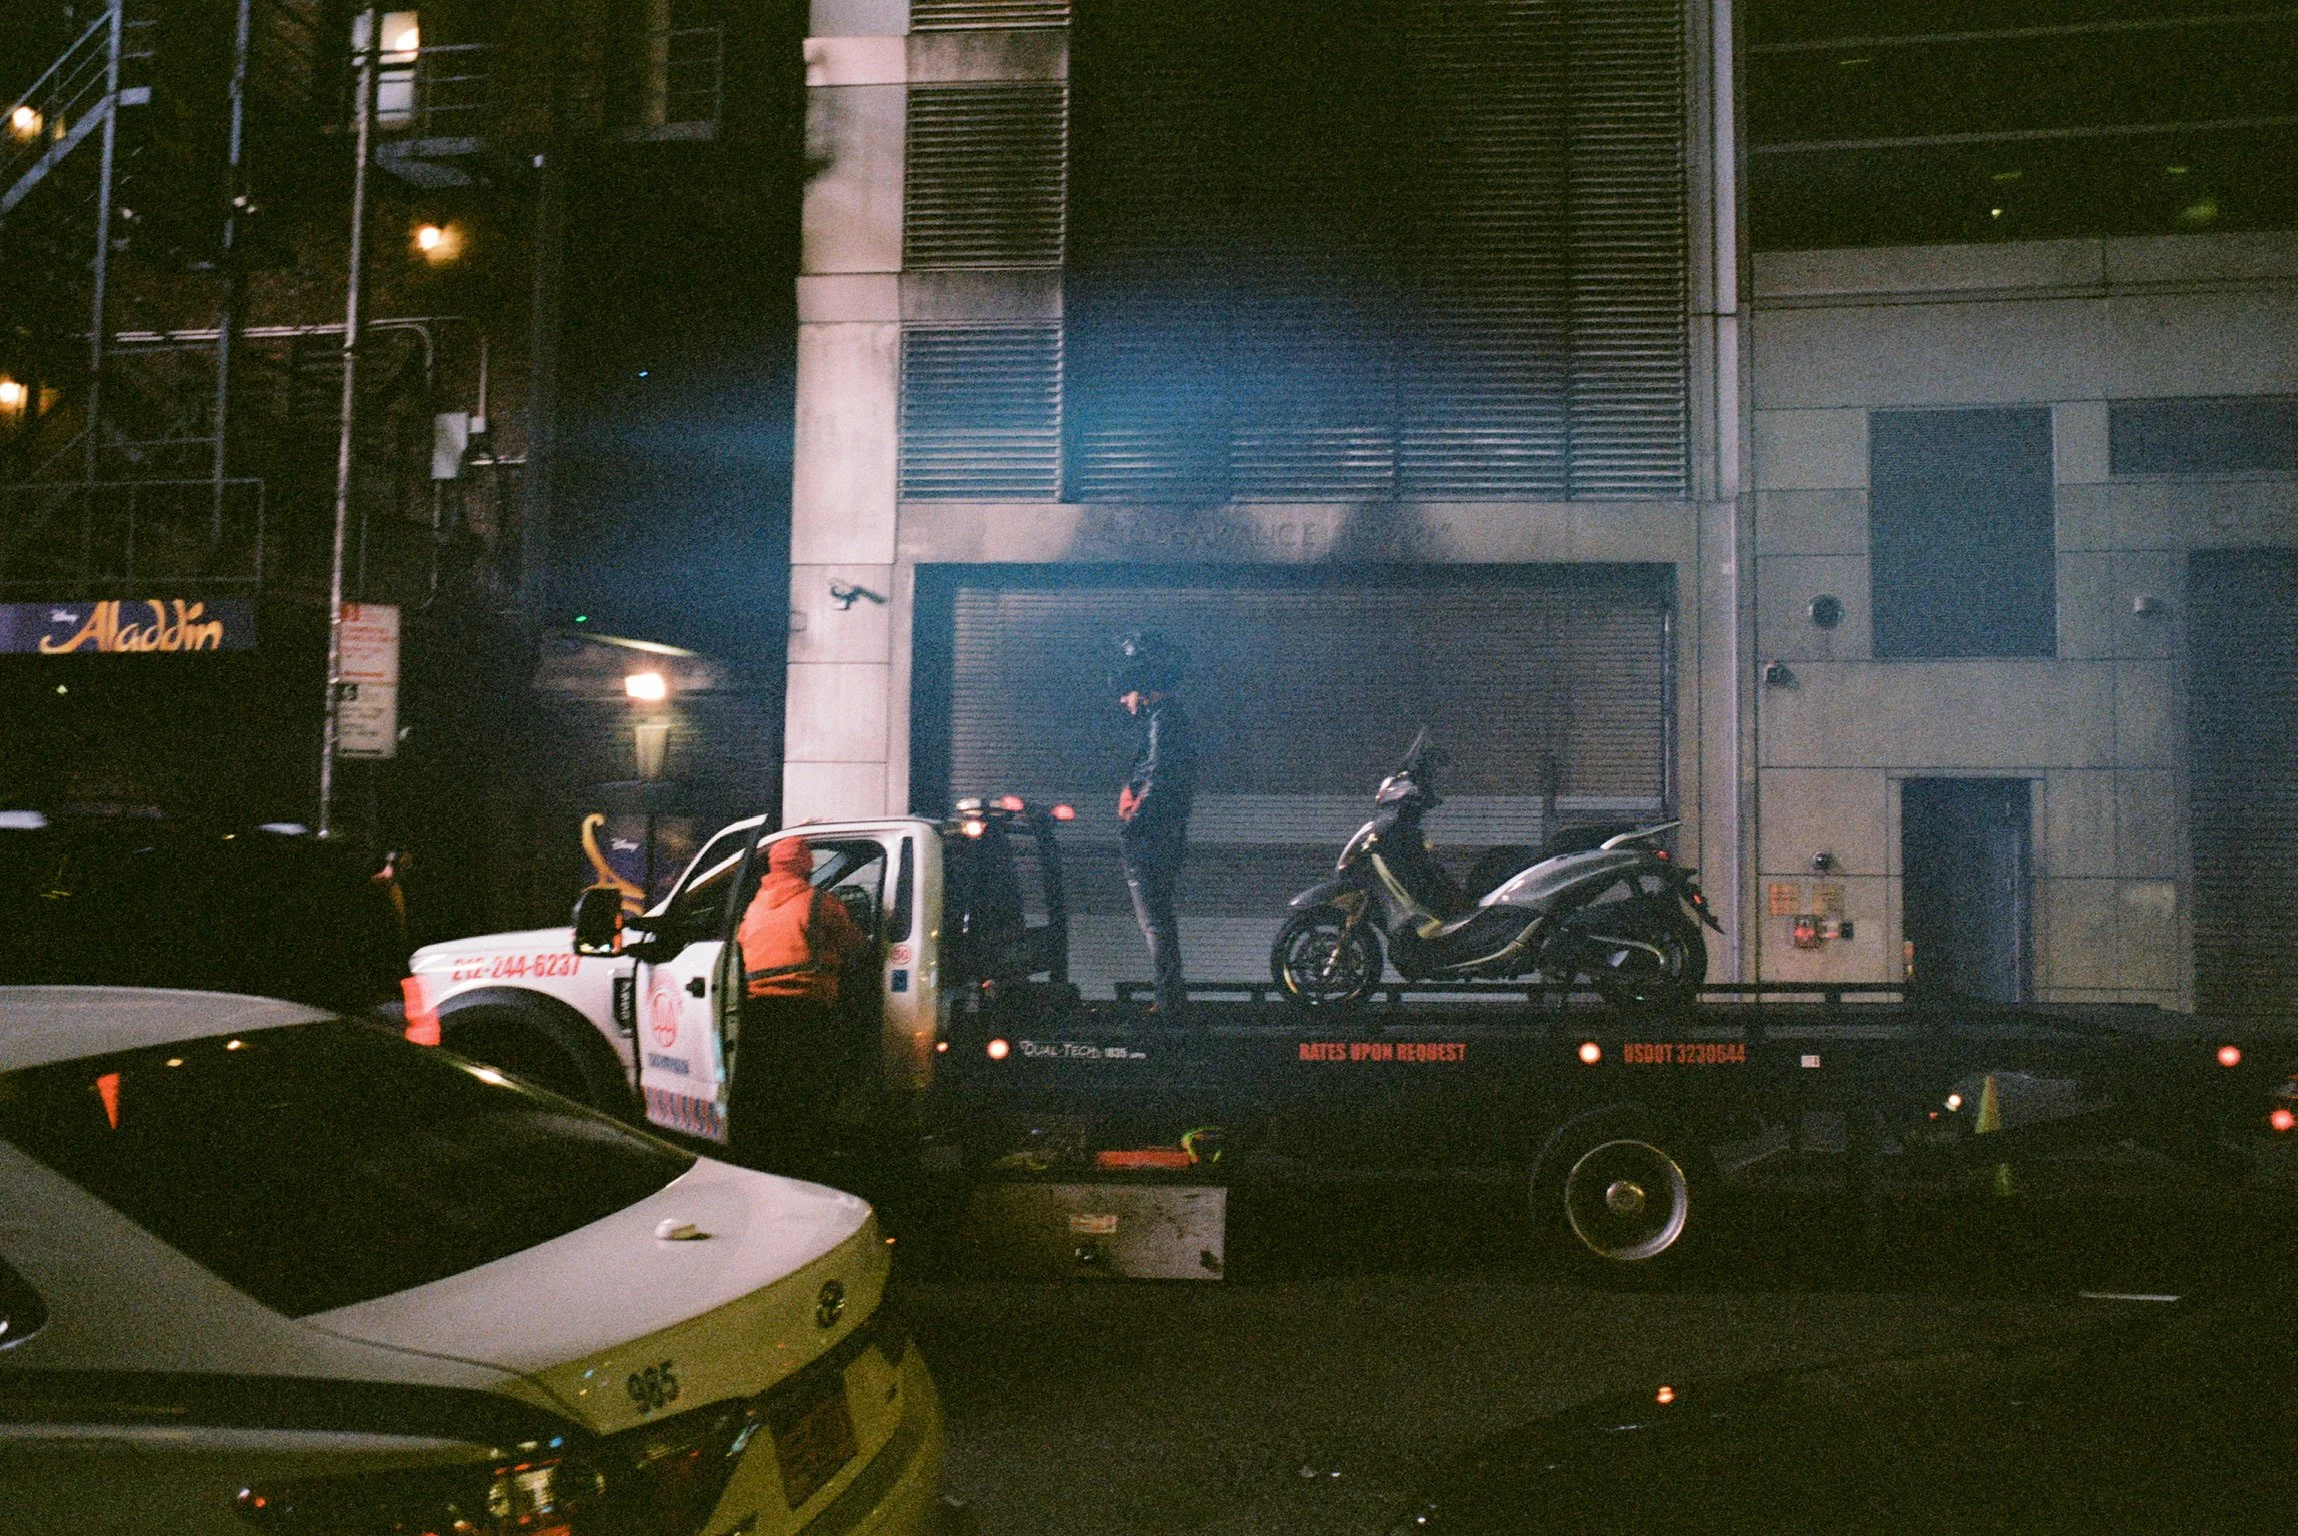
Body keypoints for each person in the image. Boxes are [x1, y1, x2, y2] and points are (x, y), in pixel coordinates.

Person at [730, 835, 866, 1176]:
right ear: (806, 866)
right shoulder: (820, 902)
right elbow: (856, 946)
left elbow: (742, 945)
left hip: (758, 1011)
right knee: (806, 1091)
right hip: (807, 1010)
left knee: (771, 1088)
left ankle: (770, 1159)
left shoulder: (754, 906)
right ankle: (807, 1161)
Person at [1113, 631, 1197, 1018]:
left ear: (1142, 688)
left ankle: (1168, 1000)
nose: (1122, 700)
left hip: (1151, 839)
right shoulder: (1164, 720)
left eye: (1126, 692)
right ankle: (1169, 996)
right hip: (1160, 835)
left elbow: (1160, 777)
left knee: (1155, 922)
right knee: (1157, 920)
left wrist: (1134, 818)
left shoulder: (1165, 720)